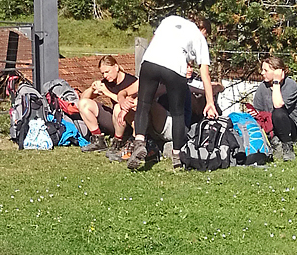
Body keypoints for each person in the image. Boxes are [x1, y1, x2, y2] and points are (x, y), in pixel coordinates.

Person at [129, 15, 217, 171]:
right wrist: (210, 102)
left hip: (150, 61)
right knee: (178, 113)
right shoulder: (199, 37)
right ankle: (177, 155)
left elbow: (153, 40)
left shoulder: (170, 20)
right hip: (174, 67)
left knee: (143, 104)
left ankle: (139, 141)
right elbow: (205, 73)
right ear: (203, 30)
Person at [77, 55, 137, 151]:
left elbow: (129, 104)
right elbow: (83, 99)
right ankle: (98, 140)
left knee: (118, 107)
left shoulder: (131, 82)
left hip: (130, 121)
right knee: (83, 104)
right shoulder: (107, 82)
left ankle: (119, 142)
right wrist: (91, 89)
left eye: (107, 72)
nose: (105, 76)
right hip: (115, 120)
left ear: (116, 67)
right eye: (102, 73)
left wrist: (107, 93)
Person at [252, 55, 297, 160]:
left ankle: (288, 148)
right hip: (270, 127)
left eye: (265, 70)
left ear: (277, 72)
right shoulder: (262, 87)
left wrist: (276, 83)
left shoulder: (290, 85)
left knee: (278, 113)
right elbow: (258, 110)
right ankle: (273, 143)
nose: (262, 73)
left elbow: (278, 105)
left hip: (289, 128)